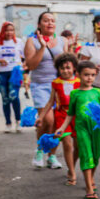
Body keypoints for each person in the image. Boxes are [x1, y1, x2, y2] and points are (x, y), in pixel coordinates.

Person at [55, 60, 100, 199]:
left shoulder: (98, 92)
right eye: (86, 75)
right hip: (82, 128)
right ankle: (89, 188)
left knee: (96, 156)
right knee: (86, 155)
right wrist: (62, 128)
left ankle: (91, 178)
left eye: (92, 75)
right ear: (78, 75)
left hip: (96, 129)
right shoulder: (75, 94)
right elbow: (70, 114)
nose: (89, 78)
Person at [25, 12, 69, 167]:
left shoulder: (63, 40)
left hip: (59, 86)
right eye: (46, 21)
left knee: (58, 122)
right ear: (39, 24)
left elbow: (67, 64)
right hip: (41, 86)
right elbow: (31, 66)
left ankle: (51, 156)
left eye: (52, 21)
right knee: (47, 120)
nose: (50, 23)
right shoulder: (32, 41)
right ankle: (39, 150)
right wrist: (43, 47)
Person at [38, 53, 80, 178]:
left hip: (77, 117)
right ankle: (72, 172)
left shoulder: (79, 82)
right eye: (62, 68)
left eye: (68, 67)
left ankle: (72, 165)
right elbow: (51, 101)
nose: (65, 71)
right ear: (58, 69)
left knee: (78, 146)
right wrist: (41, 116)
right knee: (67, 144)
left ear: (74, 68)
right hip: (62, 116)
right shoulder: (56, 83)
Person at [79, 16, 100, 153]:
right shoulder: (89, 48)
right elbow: (81, 66)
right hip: (95, 88)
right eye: (99, 28)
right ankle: (93, 143)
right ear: (94, 30)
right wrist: (92, 68)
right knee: (95, 117)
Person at [0, 22, 25, 132]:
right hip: (1, 73)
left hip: (14, 73)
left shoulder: (19, 42)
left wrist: (24, 67)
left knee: (14, 97)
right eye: (7, 30)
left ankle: (18, 121)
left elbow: (26, 56)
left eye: (11, 30)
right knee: (5, 99)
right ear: (3, 31)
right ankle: (8, 123)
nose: (9, 33)